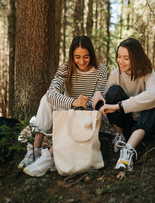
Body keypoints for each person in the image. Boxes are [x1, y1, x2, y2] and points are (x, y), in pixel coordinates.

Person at [18, 35, 107, 177]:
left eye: (86, 57)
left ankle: (47, 158)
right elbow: (51, 94)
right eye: (77, 57)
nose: (82, 61)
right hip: (68, 108)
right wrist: (73, 102)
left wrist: (82, 104)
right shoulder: (65, 69)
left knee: (76, 111)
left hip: (87, 114)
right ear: (72, 56)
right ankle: (34, 151)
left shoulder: (100, 70)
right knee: (46, 100)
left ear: (91, 54)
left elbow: (99, 99)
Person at [96, 38, 155, 171]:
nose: (121, 61)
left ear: (136, 57)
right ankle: (120, 137)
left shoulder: (147, 72)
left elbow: (153, 95)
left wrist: (119, 106)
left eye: (126, 58)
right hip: (126, 124)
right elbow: (106, 101)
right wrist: (98, 97)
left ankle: (128, 149)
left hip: (146, 124)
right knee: (113, 92)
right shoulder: (116, 75)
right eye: (119, 57)